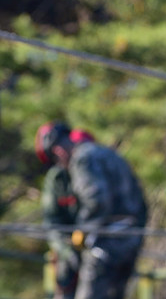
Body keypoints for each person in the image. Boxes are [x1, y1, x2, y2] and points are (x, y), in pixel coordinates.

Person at [34, 121, 147, 299]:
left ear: (58, 151)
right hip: (130, 241)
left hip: (104, 243)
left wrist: (82, 231)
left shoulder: (81, 158)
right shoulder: (111, 155)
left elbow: (96, 200)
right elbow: (141, 203)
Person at [37, 126, 96, 299]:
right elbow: (52, 222)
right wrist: (67, 251)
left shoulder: (98, 171)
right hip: (67, 260)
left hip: (99, 253)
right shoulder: (57, 179)